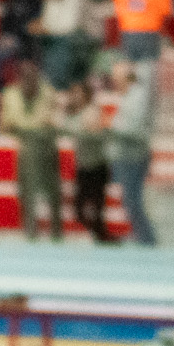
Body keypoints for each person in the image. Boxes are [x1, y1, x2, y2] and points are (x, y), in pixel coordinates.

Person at [0, 61, 62, 241]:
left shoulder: (47, 92)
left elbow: (47, 120)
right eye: (24, 77)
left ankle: (56, 232)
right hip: (25, 148)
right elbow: (6, 124)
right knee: (26, 190)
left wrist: (24, 127)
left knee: (52, 190)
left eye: (32, 77)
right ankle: (30, 231)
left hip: (45, 147)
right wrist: (27, 128)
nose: (28, 81)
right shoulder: (10, 94)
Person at [109, 60, 158, 246]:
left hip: (133, 156)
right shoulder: (129, 96)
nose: (114, 83)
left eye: (116, 79)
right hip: (126, 154)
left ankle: (147, 240)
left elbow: (135, 129)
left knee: (133, 201)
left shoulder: (136, 97)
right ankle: (143, 237)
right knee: (130, 201)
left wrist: (112, 128)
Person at [64, 79, 112, 243]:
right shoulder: (75, 113)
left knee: (97, 207)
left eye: (79, 93)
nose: (76, 96)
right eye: (74, 93)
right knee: (79, 209)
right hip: (84, 165)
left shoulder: (92, 110)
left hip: (97, 165)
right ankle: (97, 232)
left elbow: (94, 132)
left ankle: (102, 237)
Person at [35, 0, 91, 89]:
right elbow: (47, 21)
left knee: (62, 46)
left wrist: (47, 28)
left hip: (82, 37)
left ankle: (60, 86)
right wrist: (40, 27)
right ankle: (50, 85)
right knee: (38, 42)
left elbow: (71, 25)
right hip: (58, 37)